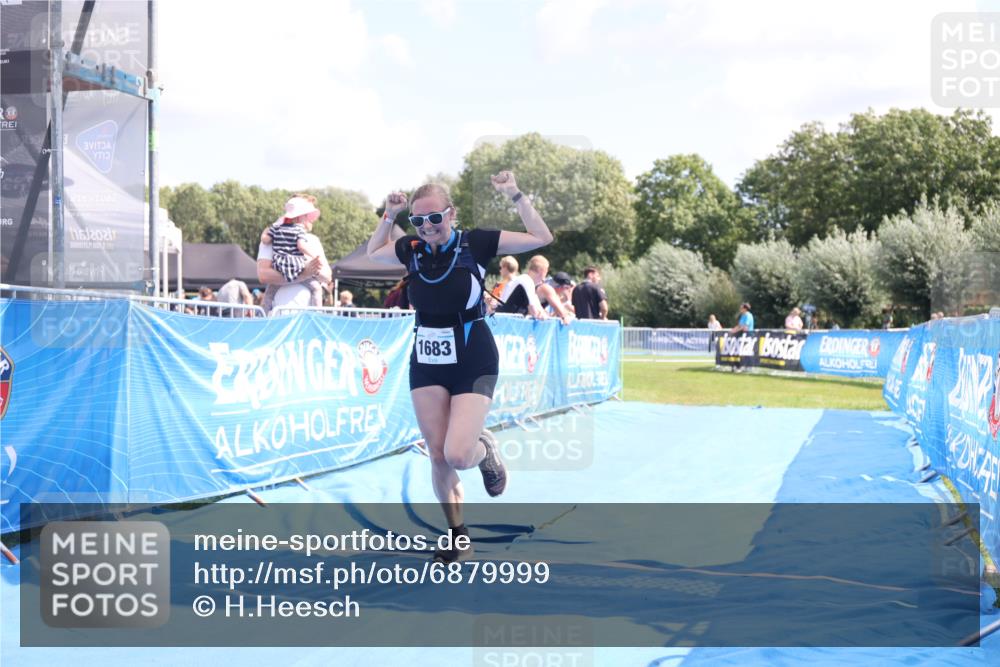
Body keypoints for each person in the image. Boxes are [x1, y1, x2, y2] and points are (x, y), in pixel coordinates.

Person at [366, 172, 553, 563]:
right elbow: (373, 253)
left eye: (435, 218)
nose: (428, 227)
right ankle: (458, 536)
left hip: (473, 355)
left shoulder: (477, 241)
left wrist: (515, 194)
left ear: (450, 214)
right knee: (436, 454)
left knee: (456, 454)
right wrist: (390, 214)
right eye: (419, 221)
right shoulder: (411, 248)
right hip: (428, 357)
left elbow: (541, 238)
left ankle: (483, 449)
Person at [259, 195, 326, 312]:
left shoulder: (275, 229)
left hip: (280, 265)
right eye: (308, 215)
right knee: (316, 288)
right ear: (301, 216)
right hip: (296, 267)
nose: (312, 219)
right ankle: (318, 315)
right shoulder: (299, 230)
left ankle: (262, 316)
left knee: (269, 294)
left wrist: (265, 231)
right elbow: (263, 275)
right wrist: (307, 271)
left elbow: (327, 276)